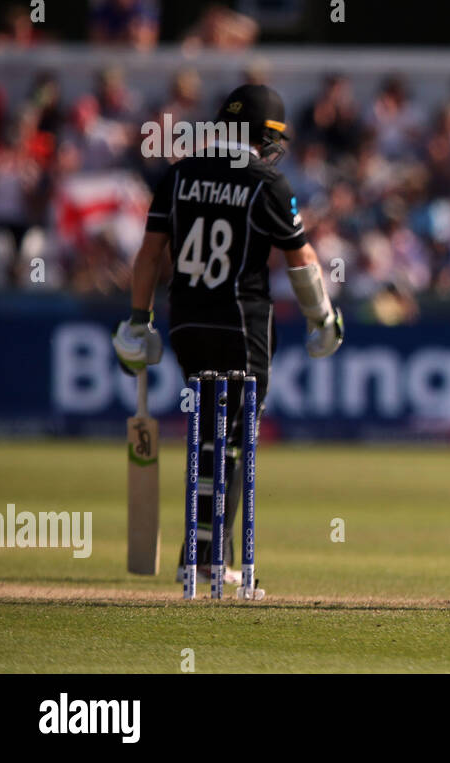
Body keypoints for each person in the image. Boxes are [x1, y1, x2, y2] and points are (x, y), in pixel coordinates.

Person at [112, 84, 344, 588]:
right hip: (243, 324)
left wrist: (137, 320)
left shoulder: (178, 175)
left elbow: (151, 255)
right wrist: (322, 319)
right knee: (233, 442)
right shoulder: (267, 183)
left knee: (207, 437)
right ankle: (206, 560)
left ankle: (202, 556)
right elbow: (300, 259)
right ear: (262, 136)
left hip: (187, 323)